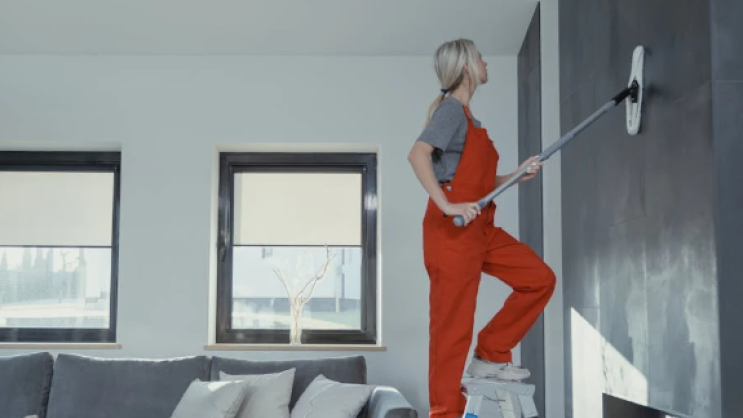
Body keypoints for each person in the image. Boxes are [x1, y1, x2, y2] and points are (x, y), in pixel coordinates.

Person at [407, 39, 557, 418]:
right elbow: (417, 154)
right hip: (452, 233)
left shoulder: (470, 120)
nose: (486, 63)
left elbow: (479, 182)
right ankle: (445, 414)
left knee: (539, 279)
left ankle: (491, 352)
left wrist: (515, 175)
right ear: (466, 67)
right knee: (451, 333)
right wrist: (446, 205)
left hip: (480, 227)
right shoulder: (451, 111)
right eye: (480, 58)